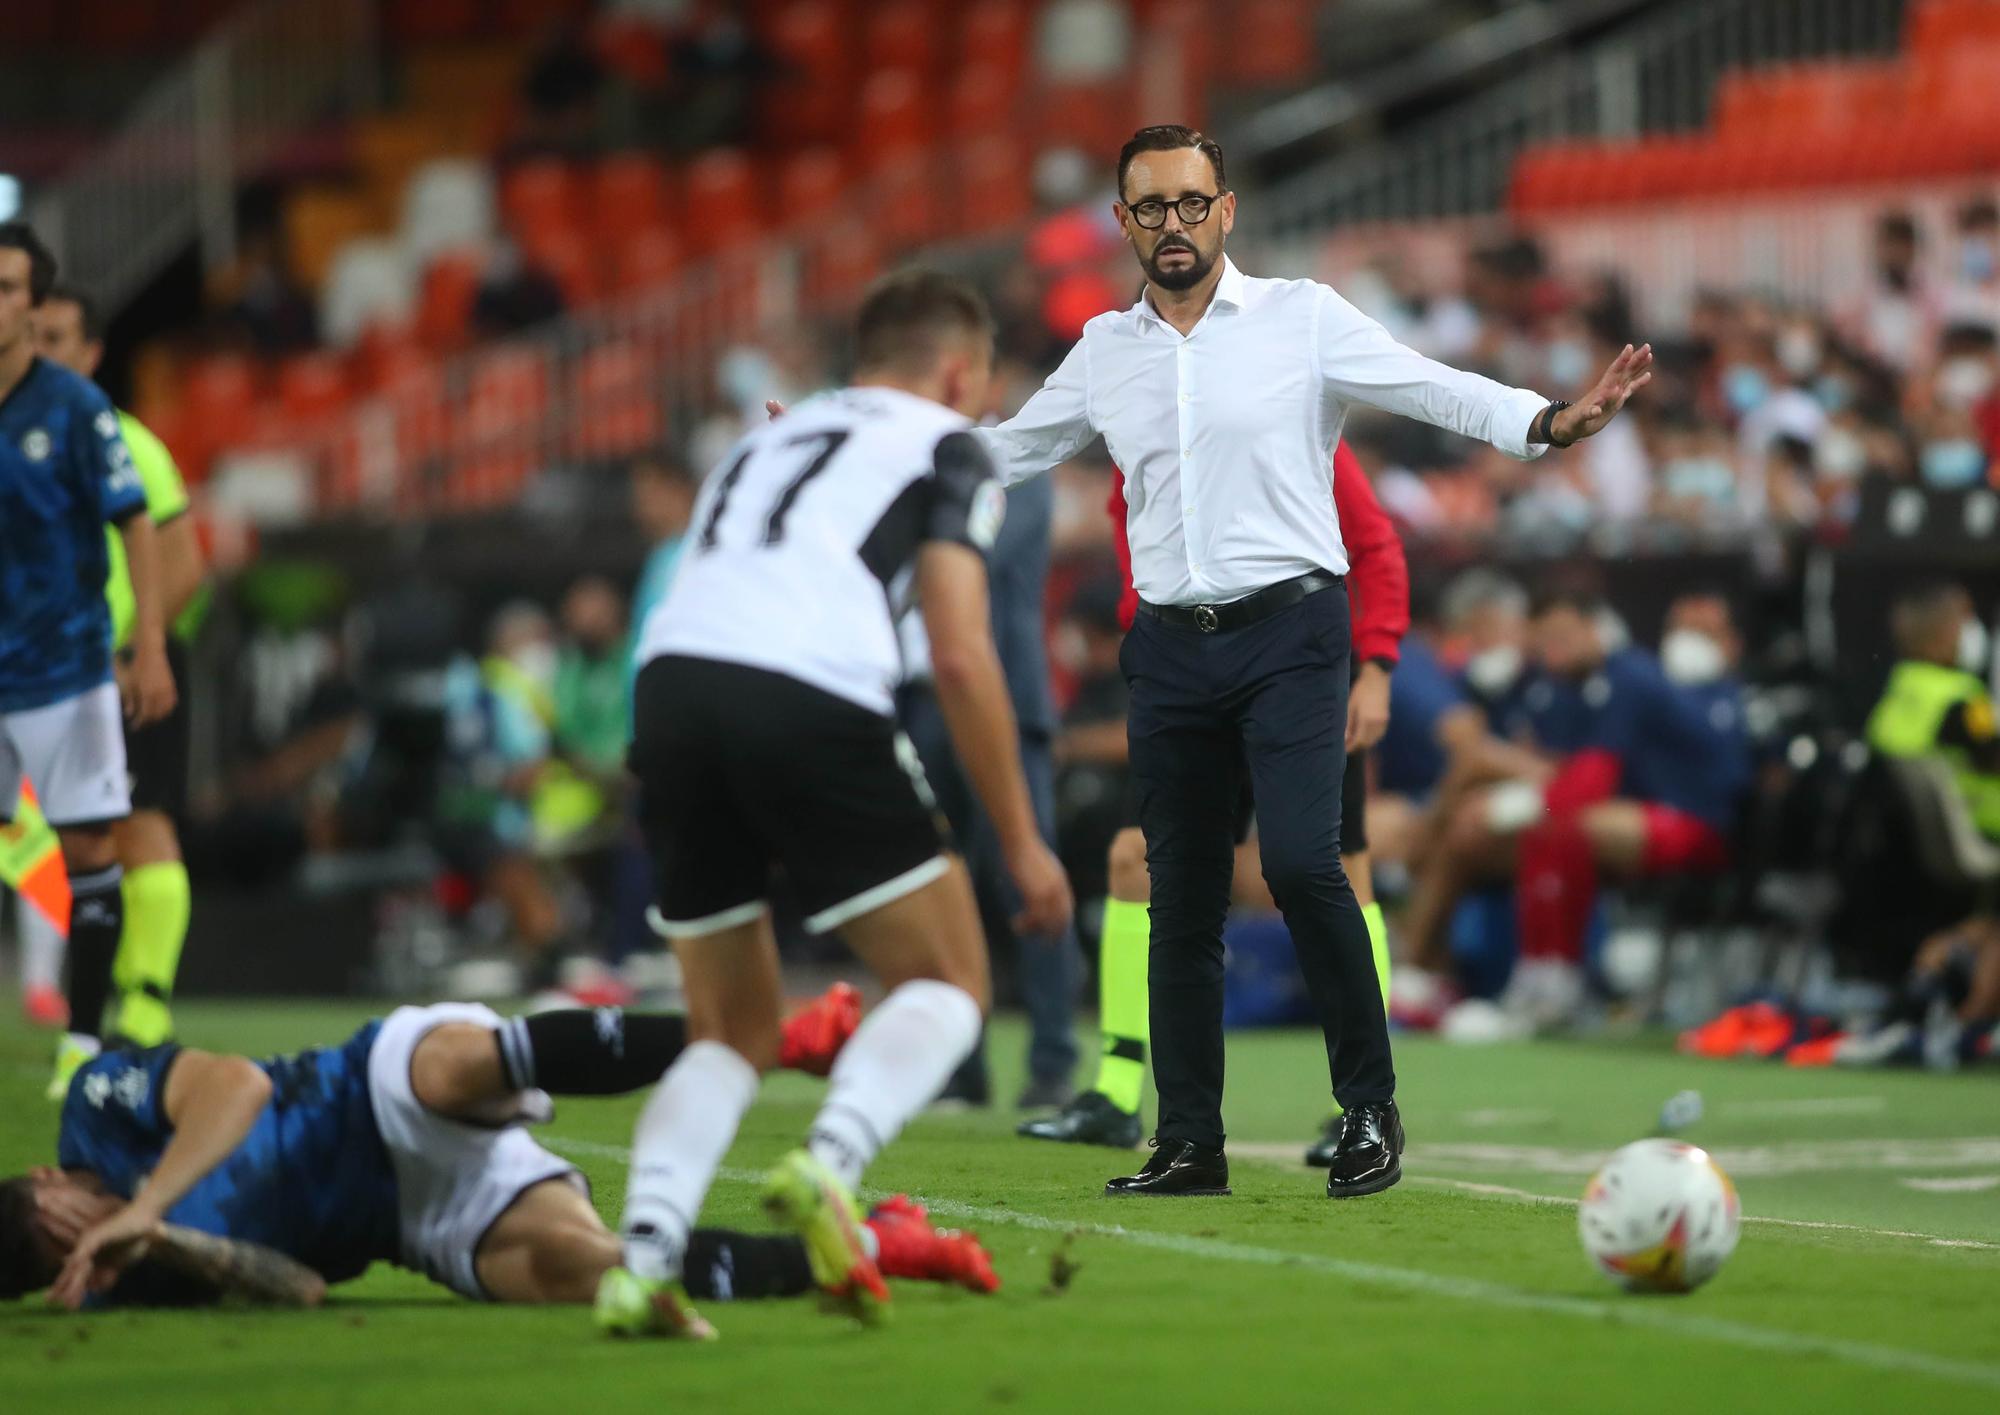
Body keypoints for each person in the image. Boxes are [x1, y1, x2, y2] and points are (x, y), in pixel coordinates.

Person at [972, 124, 1649, 1198]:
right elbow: (1002, 447)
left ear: (1225, 210)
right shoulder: (1105, 348)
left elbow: (1431, 387)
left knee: (1299, 861)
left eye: (1190, 203)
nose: (1172, 225)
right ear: (1123, 224)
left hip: (1291, 635)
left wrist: (1549, 422)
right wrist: (853, 448)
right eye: (1149, 207)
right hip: (1167, 646)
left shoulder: (1301, 316)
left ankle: (1368, 1107)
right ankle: (1189, 1139)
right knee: (1180, 894)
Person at [616, 271, 1071, 1335]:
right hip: (805, 686)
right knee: (950, 975)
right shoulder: (957, 446)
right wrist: (1021, 839)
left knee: (726, 1027)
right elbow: (959, 650)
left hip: (671, 685)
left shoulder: (766, 433)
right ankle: (829, 1160)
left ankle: (640, 1255)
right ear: (962, 371)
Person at [0, 993, 996, 1314]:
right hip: (409, 1218)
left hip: (365, 1088)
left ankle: (782, 1035)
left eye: (54, 1223)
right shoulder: (124, 1275)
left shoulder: (99, 1106)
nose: (71, 1241)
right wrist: (161, 1240)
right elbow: (299, 1286)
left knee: (451, 1064)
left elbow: (237, 1087)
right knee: (591, 1268)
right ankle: (877, 1240)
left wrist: (143, 1196)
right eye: (54, 1256)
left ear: (45, 1178)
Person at [1018, 440, 1406, 1166]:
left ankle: (1354, 1109)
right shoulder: (1138, 428)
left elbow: (1375, 544)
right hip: (1189, 677)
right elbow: (1137, 552)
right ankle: (1117, 1089)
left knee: (1334, 870)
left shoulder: (1285, 416)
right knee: (1138, 861)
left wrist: (1376, 664)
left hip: (1301, 677)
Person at [0, 223, 176, 1099]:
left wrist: (147, 646)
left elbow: (136, 519)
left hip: (64, 668)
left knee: (88, 845)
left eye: (7, 286)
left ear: (34, 301)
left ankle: (80, 1040)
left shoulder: (73, 407)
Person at [1440, 590, 1752, 1038]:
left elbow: (1594, 776)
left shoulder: (1630, 677)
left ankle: (1560, 980)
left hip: (1700, 822)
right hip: (1651, 813)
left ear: (1593, 629)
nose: (1555, 649)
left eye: (1565, 636)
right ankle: (1537, 973)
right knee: (1548, 826)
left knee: (1565, 824)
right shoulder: (1583, 685)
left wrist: (1515, 805)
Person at [33, 284, 209, 1051]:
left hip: (126, 662)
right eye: (32, 335)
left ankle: (143, 999)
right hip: (41, 665)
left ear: (92, 352)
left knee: (140, 825)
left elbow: (185, 563)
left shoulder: (126, 440)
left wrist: (142, 648)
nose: (43, 352)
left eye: (59, 338)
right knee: (54, 834)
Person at [899, 463, 1080, 1112]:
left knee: (1026, 871)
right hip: (919, 697)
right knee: (937, 885)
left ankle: (1054, 1059)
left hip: (1000, 693)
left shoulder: (1017, 465)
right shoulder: (916, 458)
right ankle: (959, 1064)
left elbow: (979, 554)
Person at [1865, 581, 2000, 840]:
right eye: (1964, 618)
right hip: (1982, 828)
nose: (1972, 628)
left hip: (1917, 841)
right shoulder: (1963, 698)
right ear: (1942, 631)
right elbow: (1992, 755)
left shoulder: (1901, 685)